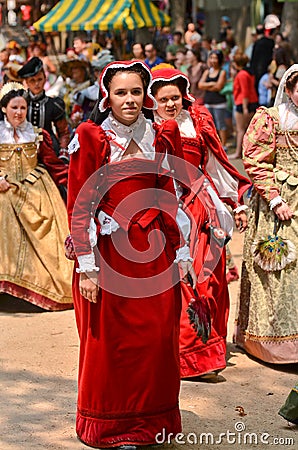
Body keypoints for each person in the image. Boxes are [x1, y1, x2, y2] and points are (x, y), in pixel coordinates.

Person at [66, 60, 196, 448]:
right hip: (109, 257)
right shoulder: (92, 136)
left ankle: (152, 422)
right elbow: (80, 203)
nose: (129, 99)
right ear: (107, 95)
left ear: (146, 95)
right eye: (121, 92)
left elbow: (168, 195)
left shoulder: (159, 135)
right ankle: (111, 425)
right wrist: (87, 268)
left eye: (136, 92)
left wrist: (182, 249)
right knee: (112, 344)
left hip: (154, 254)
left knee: (157, 338)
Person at [150, 66, 251, 378]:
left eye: (175, 98)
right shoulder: (144, 127)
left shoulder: (196, 122)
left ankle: (200, 355)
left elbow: (216, 166)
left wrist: (234, 203)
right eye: (164, 98)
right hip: (160, 206)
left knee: (206, 279)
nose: (170, 104)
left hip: (198, 207)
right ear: (152, 99)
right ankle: (174, 352)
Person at [234, 64, 298, 364]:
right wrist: (274, 199)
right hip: (280, 203)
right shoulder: (270, 119)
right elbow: (256, 160)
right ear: (288, 90)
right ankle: (276, 344)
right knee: (280, 270)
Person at [0, 82, 73, 310]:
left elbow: (53, 164)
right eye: (14, 108)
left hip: (36, 188)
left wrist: (75, 181)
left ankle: (35, 291)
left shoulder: (37, 135)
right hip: (4, 188)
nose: (19, 113)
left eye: (22, 107)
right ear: (4, 109)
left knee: (50, 231)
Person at [18, 57, 71, 163]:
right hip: (22, 150)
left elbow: (63, 132)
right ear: (26, 82)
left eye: (39, 79)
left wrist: (63, 153)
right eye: (32, 81)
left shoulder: (54, 104)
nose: (36, 84)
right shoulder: (19, 103)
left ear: (45, 79)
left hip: (50, 151)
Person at [229, 52, 259, 160]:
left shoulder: (242, 74)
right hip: (251, 101)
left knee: (240, 129)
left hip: (243, 103)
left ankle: (238, 152)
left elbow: (245, 91)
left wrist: (245, 108)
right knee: (248, 129)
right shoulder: (249, 73)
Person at [198, 49, 228, 150]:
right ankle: (211, 143)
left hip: (219, 102)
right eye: (211, 58)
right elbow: (200, 85)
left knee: (220, 124)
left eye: (215, 58)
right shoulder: (207, 71)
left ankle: (223, 144)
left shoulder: (222, 72)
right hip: (208, 101)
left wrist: (207, 85)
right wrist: (211, 84)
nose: (213, 60)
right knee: (209, 125)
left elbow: (219, 86)